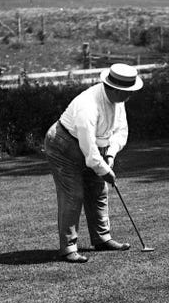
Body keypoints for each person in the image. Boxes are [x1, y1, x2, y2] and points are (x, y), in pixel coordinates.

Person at [44, 63, 143, 263]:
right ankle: (68, 247)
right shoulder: (87, 105)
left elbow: (120, 131)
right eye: (127, 92)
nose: (129, 96)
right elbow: (89, 151)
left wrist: (110, 156)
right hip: (63, 145)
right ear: (114, 88)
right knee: (74, 194)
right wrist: (104, 170)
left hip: (94, 147)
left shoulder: (118, 100)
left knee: (99, 190)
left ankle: (102, 239)